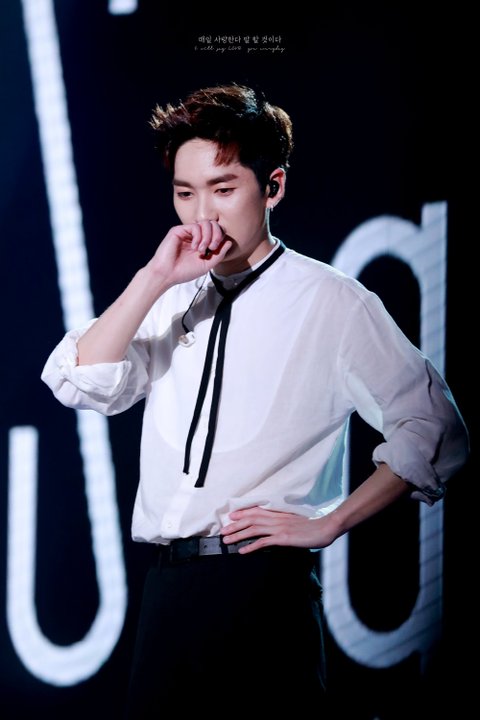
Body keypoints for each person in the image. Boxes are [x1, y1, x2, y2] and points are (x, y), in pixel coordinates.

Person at [41, 83, 469, 716]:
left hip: (263, 589)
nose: (202, 216)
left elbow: (435, 428)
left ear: (273, 187)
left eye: (223, 189)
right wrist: (154, 277)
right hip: (166, 589)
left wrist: (330, 522)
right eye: (185, 193)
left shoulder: (330, 299)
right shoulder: (170, 296)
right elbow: (79, 380)